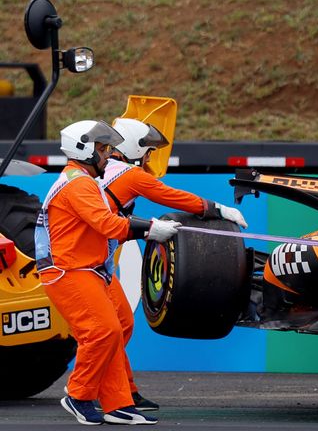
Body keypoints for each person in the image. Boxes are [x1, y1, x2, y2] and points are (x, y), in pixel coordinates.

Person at [35, 120, 181, 425]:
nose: (108, 155)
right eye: (102, 149)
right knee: (103, 332)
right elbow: (106, 224)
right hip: (70, 272)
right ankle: (79, 395)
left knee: (115, 329)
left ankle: (118, 404)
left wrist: (146, 227)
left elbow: (106, 224)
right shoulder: (79, 184)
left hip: (86, 270)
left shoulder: (83, 181)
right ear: (84, 150)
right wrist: (151, 229)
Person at [97, 118, 247, 410]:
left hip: (98, 264)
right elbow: (171, 196)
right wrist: (217, 209)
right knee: (110, 330)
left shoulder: (110, 170)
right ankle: (92, 389)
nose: (150, 157)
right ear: (131, 148)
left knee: (121, 325)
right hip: (87, 264)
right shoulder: (128, 174)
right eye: (148, 151)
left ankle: (123, 391)